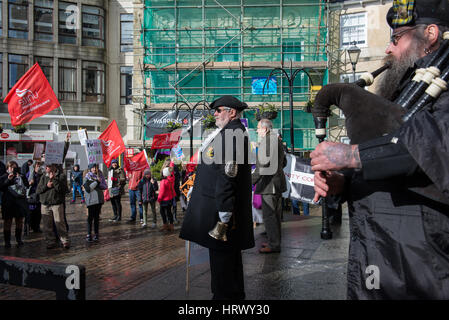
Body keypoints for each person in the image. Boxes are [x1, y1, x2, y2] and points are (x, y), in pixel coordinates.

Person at [310, 0, 449, 299]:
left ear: (431, 34)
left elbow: (437, 144)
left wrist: (353, 155)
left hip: (422, 260)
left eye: (397, 38)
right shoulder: (404, 87)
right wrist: (342, 182)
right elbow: (390, 151)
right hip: (380, 249)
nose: (388, 49)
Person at [179, 95, 254, 300]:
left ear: (231, 112)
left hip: (222, 211)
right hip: (219, 206)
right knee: (227, 263)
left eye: (219, 110)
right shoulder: (229, 132)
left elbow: (228, 175)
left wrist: (225, 212)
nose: (215, 114)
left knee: (223, 267)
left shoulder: (232, 134)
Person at [252, 119, 287, 254]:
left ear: (265, 129)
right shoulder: (276, 140)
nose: (257, 130)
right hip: (277, 182)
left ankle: (274, 245)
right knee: (276, 216)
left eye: (258, 128)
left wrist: (250, 181)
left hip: (269, 184)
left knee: (270, 216)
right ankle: (275, 241)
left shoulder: (267, 141)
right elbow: (283, 162)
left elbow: (262, 166)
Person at [37, 163, 70, 249]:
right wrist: (46, 186)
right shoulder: (43, 177)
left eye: (48, 166)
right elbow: (38, 190)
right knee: (47, 224)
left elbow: (63, 189)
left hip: (56, 203)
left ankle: (64, 240)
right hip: (45, 203)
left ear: (53, 167)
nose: (46, 168)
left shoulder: (61, 176)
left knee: (59, 222)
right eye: (46, 167)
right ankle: (50, 241)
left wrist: (54, 180)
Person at [0, 161, 29, 248]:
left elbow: (27, 185)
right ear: (7, 168)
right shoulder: (4, 176)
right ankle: (7, 241)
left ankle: (18, 239)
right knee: (7, 222)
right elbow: (1, 187)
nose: (13, 169)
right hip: (8, 203)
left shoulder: (21, 176)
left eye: (15, 167)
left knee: (19, 221)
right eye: (11, 167)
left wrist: (21, 179)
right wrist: (8, 180)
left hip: (19, 202)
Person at [83, 163, 107, 242]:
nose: (94, 169)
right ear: (90, 169)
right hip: (90, 201)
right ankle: (89, 234)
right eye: (92, 168)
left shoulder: (100, 175)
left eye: (95, 168)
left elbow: (104, 186)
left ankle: (96, 233)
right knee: (90, 218)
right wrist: (96, 182)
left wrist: (99, 183)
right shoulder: (87, 177)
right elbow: (88, 189)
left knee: (96, 218)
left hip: (98, 200)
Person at [26, 161, 44, 233]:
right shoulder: (30, 174)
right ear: (34, 166)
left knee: (38, 213)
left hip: (39, 195)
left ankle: (37, 227)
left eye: (39, 165)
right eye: (37, 165)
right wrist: (29, 183)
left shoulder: (42, 174)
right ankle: (29, 226)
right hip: (31, 195)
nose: (38, 167)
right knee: (31, 213)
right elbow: (24, 183)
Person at [157, 167, 175, 232]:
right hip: (170, 198)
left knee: (162, 212)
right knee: (169, 212)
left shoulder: (163, 181)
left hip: (164, 199)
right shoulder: (171, 179)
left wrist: (159, 199)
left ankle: (165, 225)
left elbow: (162, 192)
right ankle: (171, 225)